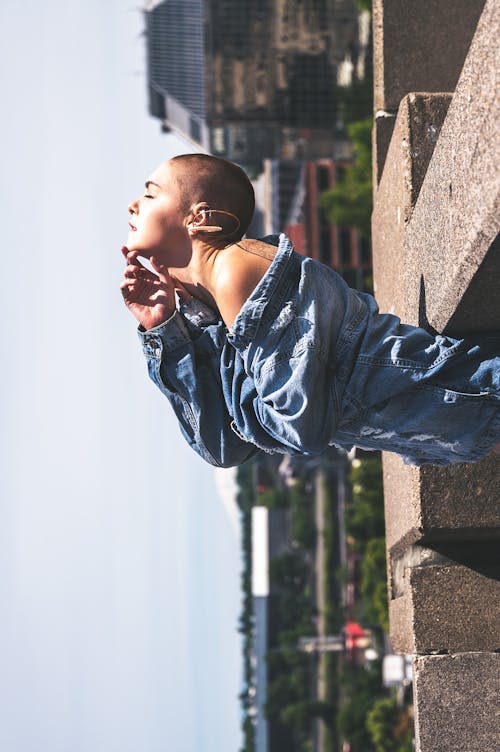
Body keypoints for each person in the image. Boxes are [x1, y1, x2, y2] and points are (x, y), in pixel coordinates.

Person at [121, 153, 500, 468]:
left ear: (199, 218)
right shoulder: (220, 301)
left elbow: (299, 427)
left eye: (151, 195)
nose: (133, 205)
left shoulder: (235, 271)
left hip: (479, 393)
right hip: (469, 417)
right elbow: (224, 446)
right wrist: (166, 329)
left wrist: (207, 337)